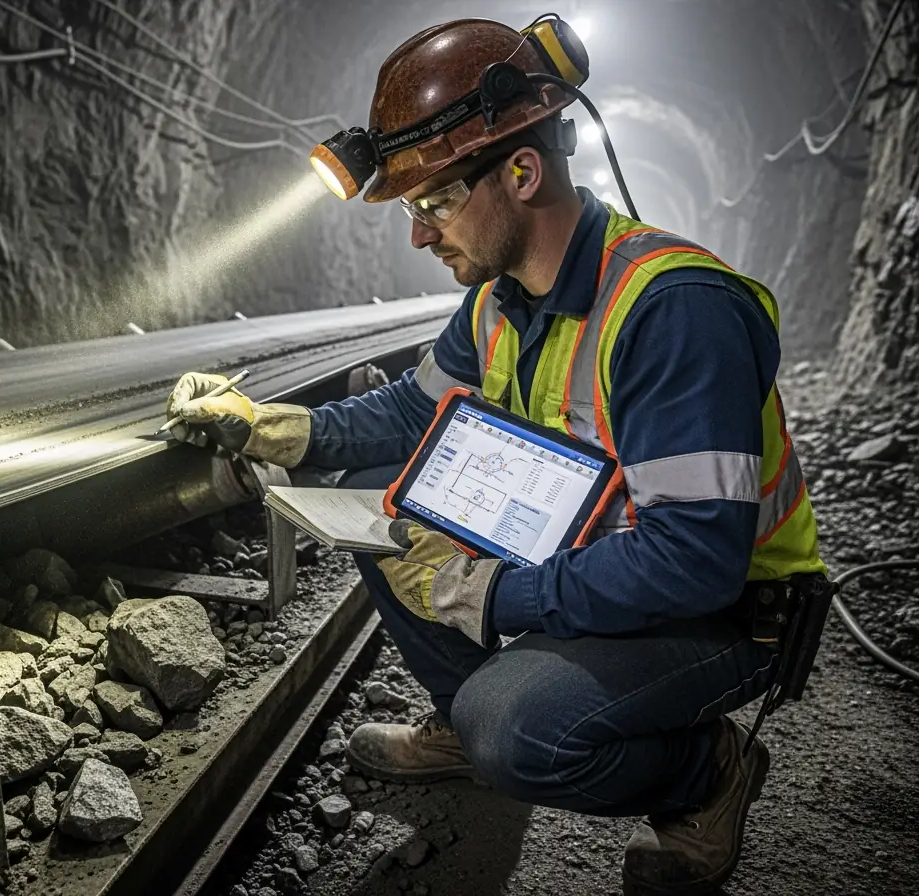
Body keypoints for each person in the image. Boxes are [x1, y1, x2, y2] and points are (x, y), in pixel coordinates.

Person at [164, 16, 825, 896]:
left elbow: (696, 561)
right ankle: (464, 722)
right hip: (594, 552)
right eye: (411, 210)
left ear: (521, 171)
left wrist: (495, 593)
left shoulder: (674, 312)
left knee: (515, 727)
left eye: (433, 204)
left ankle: (705, 771)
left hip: (726, 613)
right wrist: (281, 427)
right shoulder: (500, 300)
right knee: (366, 485)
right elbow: (412, 410)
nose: (419, 236)